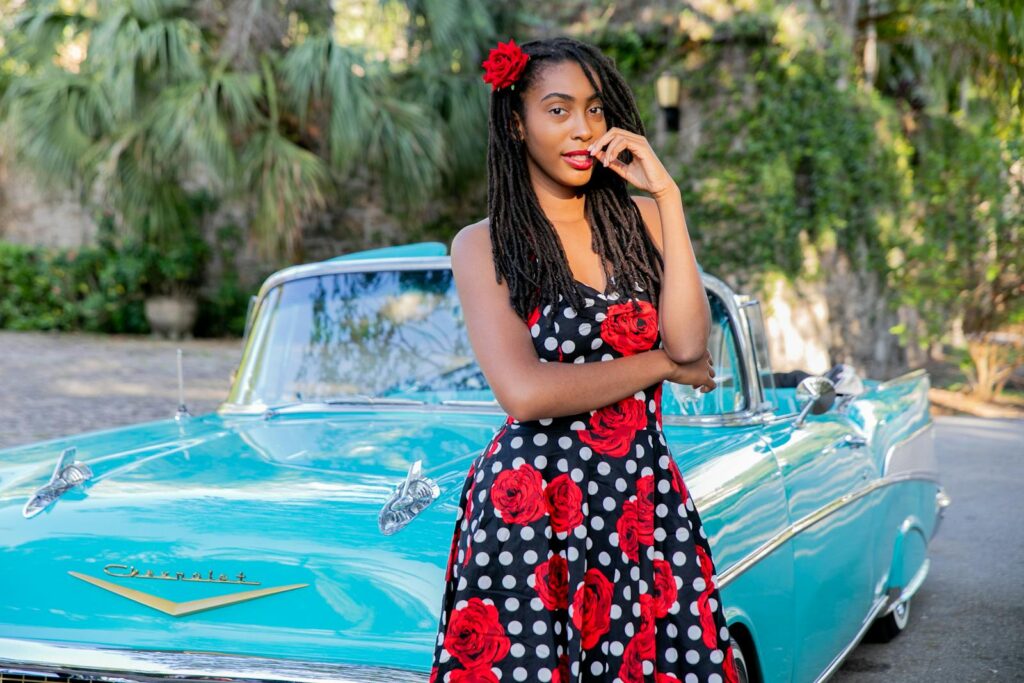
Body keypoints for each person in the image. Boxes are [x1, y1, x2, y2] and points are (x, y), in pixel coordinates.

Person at [429, 36, 739, 683]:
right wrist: (658, 367)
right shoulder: (483, 244)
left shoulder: (644, 221)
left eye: (595, 110)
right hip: (533, 508)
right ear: (517, 124)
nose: (583, 129)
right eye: (558, 110)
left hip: (641, 501)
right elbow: (525, 393)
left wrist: (668, 195)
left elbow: (689, 344)